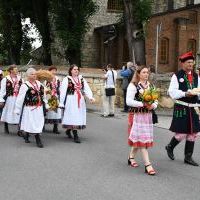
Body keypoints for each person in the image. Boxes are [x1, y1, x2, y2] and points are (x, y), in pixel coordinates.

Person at [166, 51, 200, 166]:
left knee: (193, 133)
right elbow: (172, 92)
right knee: (181, 134)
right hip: (182, 107)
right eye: (188, 62)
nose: (191, 64)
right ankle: (170, 147)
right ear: (183, 63)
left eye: (192, 62)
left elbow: (198, 90)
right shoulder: (177, 76)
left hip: (194, 108)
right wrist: (185, 94)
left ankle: (188, 157)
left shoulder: (196, 75)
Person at [126, 65, 158, 175]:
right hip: (138, 115)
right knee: (143, 142)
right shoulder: (133, 85)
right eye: (143, 72)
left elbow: (156, 100)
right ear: (138, 74)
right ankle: (148, 165)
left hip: (148, 117)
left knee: (140, 138)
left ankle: (131, 157)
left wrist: (153, 106)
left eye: (147, 72)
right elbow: (128, 101)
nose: (146, 74)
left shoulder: (151, 86)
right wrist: (142, 104)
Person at [59, 64, 95, 143]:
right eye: (74, 69)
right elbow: (63, 92)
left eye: (77, 69)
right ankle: (75, 135)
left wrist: (91, 97)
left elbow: (86, 89)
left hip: (80, 100)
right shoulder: (67, 79)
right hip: (70, 100)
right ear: (71, 71)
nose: (76, 71)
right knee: (73, 116)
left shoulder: (81, 79)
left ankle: (69, 130)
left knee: (77, 116)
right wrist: (61, 103)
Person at [14, 68, 47, 148]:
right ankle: (37, 139)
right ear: (28, 76)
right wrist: (17, 109)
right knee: (31, 122)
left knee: (37, 122)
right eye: (32, 74)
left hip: (39, 107)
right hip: (29, 108)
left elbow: (44, 95)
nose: (34, 75)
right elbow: (20, 98)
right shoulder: (25, 85)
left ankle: (27, 135)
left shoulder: (39, 84)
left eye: (35, 74)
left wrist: (47, 104)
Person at [0, 65, 23, 135]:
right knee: (8, 112)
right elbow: (2, 90)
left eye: (17, 69)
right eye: (15, 69)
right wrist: (1, 100)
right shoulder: (5, 79)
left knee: (19, 112)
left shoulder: (20, 79)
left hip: (18, 98)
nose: (17, 71)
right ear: (11, 71)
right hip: (9, 98)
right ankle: (6, 126)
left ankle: (19, 130)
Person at [44, 66, 61, 134]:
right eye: (52, 70)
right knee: (48, 111)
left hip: (56, 96)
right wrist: (48, 98)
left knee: (56, 112)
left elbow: (59, 87)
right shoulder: (47, 79)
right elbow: (45, 88)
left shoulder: (57, 79)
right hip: (49, 96)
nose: (54, 72)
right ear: (49, 71)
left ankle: (55, 127)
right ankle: (43, 126)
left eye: (55, 70)